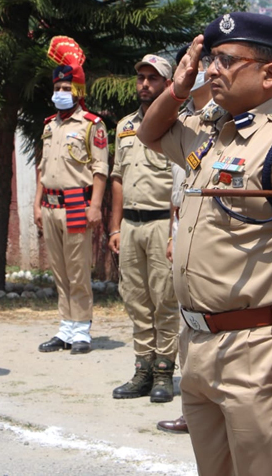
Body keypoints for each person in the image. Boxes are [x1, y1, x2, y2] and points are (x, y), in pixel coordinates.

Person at [138, 12, 272, 475]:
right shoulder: (212, 135)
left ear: (269, 74)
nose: (212, 70)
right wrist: (179, 86)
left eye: (227, 61)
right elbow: (149, 132)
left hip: (256, 346)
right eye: (211, 60)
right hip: (199, 340)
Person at [156, 45, 227, 434]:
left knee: (212, 320)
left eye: (205, 63)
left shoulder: (219, 121)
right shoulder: (184, 120)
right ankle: (193, 403)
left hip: (212, 230)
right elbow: (178, 187)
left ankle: (213, 401)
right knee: (187, 321)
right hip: (184, 224)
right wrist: (173, 231)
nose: (202, 70)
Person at [109, 54, 179, 402]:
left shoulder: (176, 125)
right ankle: (143, 368)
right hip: (130, 225)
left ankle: (165, 371)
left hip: (161, 224)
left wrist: (173, 233)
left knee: (164, 299)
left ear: (168, 84)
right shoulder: (124, 126)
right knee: (135, 299)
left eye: (153, 79)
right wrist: (114, 228)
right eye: (141, 78)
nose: (145, 85)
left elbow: (179, 183)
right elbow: (118, 178)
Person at [34, 37, 108, 355]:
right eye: (58, 88)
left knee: (78, 270)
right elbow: (42, 167)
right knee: (59, 269)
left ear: (77, 91)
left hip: (77, 203)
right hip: (49, 204)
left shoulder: (93, 125)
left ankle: (82, 330)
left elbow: (100, 169)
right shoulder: (50, 125)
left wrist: (95, 206)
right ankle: (65, 327)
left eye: (67, 88)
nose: (61, 93)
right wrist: (36, 203)